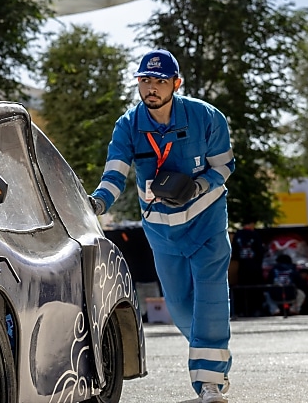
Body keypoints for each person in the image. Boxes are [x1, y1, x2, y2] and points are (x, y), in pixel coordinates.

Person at [88, 49, 235, 403]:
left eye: (160, 81)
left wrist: (200, 185)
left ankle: (210, 383)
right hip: (161, 230)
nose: (152, 88)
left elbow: (225, 165)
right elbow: (115, 173)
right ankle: (207, 352)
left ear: (176, 84)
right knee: (182, 307)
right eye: (145, 81)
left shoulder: (206, 117)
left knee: (211, 299)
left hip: (206, 221)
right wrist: (96, 203)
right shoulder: (128, 125)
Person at [232, 217, 267, 318]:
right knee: (256, 290)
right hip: (254, 267)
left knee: (243, 290)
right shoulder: (254, 235)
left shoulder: (238, 235)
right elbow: (260, 251)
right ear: (251, 224)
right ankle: (256, 310)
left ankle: (243, 311)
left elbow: (235, 252)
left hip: (243, 267)